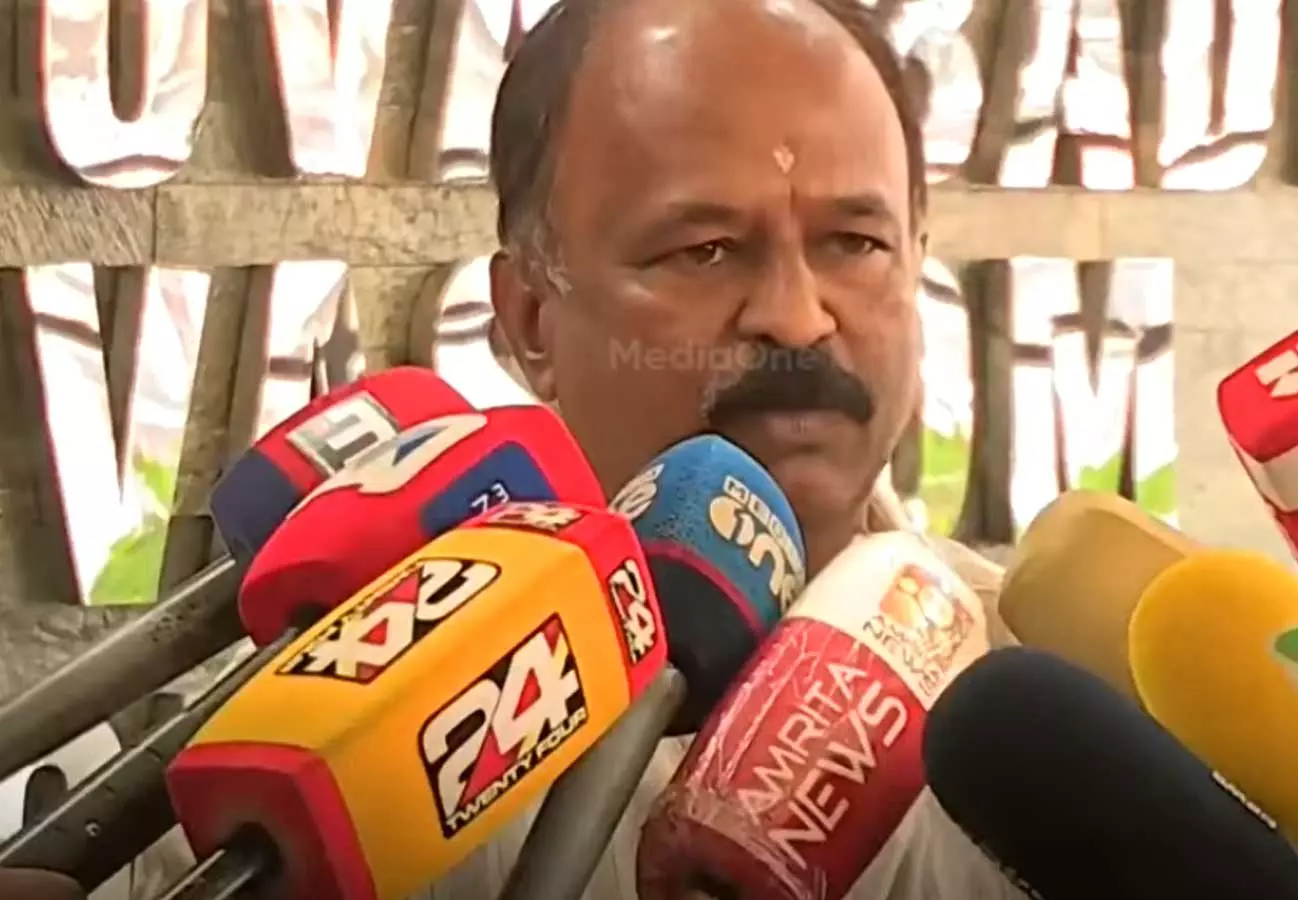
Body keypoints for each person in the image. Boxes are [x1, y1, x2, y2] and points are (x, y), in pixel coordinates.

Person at [0, 0, 1021, 896]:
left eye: (855, 243)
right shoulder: (285, 733)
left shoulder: (1048, 721)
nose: (797, 318)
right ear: (530, 317)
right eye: (704, 249)